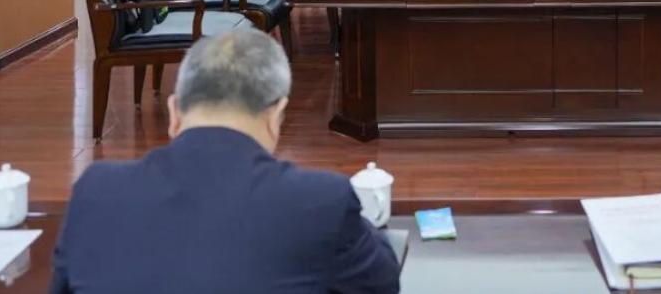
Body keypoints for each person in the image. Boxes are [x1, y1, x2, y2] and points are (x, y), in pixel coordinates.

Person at [49, 28, 401, 294]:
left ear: (174, 112)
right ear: (276, 115)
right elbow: (383, 282)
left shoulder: (95, 192)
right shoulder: (321, 201)